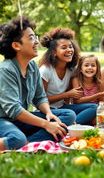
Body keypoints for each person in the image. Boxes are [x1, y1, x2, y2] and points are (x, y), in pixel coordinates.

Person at [0, 17, 76, 151]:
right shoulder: (5, 70)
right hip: (3, 120)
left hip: (20, 120)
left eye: (36, 37)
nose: (36, 42)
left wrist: (48, 113)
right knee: (17, 138)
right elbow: (14, 110)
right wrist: (46, 125)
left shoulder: (33, 67)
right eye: (31, 38)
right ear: (16, 45)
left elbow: (40, 97)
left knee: (68, 116)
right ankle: (21, 141)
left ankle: (27, 142)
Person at [39, 28, 97, 125]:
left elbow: (87, 72)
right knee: (69, 114)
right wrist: (67, 95)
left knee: (94, 107)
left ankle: (70, 125)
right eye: (64, 47)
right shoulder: (46, 70)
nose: (69, 50)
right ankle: (69, 125)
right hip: (47, 111)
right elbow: (41, 99)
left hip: (63, 108)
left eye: (70, 47)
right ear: (54, 52)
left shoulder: (71, 69)